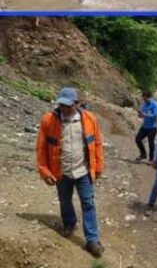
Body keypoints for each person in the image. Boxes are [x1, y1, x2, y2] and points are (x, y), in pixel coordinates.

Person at [35, 87, 104, 258]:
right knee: (65, 201)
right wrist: (44, 170)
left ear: (77, 104)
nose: (64, 109)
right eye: (61, 105)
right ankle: (69, 223)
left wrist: (99, 166)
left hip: (83, 171)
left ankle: (92, 240)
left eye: (68, 106)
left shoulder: (89, 119)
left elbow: (97, 144)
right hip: (61, 172)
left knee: (88, 203)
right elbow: (41, 148)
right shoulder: (48, 120)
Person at [135, 90, 157, 162]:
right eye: (143, 98)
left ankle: (151, 158)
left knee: (151, 143)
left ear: (150, 97)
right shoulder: (144, 104)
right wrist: (140, 115)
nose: (144, 100)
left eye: (145, 98)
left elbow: (156, 115)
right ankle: (143, 154)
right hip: (145, 126)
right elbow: (142, 115)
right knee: (137, 139)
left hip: (152, 127)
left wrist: (145, 115)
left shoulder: (155, 104)